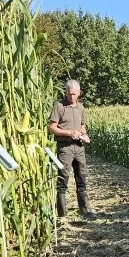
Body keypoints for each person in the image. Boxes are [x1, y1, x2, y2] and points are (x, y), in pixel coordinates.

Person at [48, 79, 94, 220]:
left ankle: (85, 211)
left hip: (79, 147)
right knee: (63, 181)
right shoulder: (59, 106)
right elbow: (51, 128)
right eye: (69, 94)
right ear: (65, 92)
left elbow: (82, 127)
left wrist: (84, 136)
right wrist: (69, 133)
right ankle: (62, 215)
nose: (71, 97)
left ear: (79, 93)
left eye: (74, 94)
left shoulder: (80, 108)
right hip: (65, 148)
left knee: (81, 178)